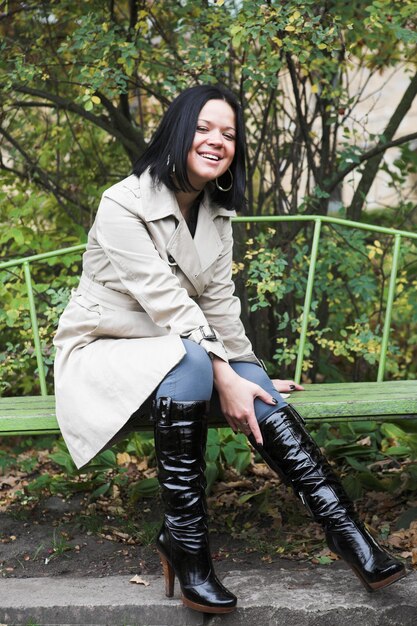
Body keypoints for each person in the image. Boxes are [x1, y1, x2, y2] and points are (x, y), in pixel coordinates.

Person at [53, 84, 406, 615]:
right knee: (197, 359)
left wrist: (249, 373)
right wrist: (226, 374)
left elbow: (220, 311)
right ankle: (189, 550)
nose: (217, 141)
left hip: (176, 354)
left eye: (229, 134)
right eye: (203, 128)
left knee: (233, 373)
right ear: (177, 131)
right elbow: (169, 304)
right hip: (102, 353)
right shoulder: (121, 203)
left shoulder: (216, 214)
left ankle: (349, 536)